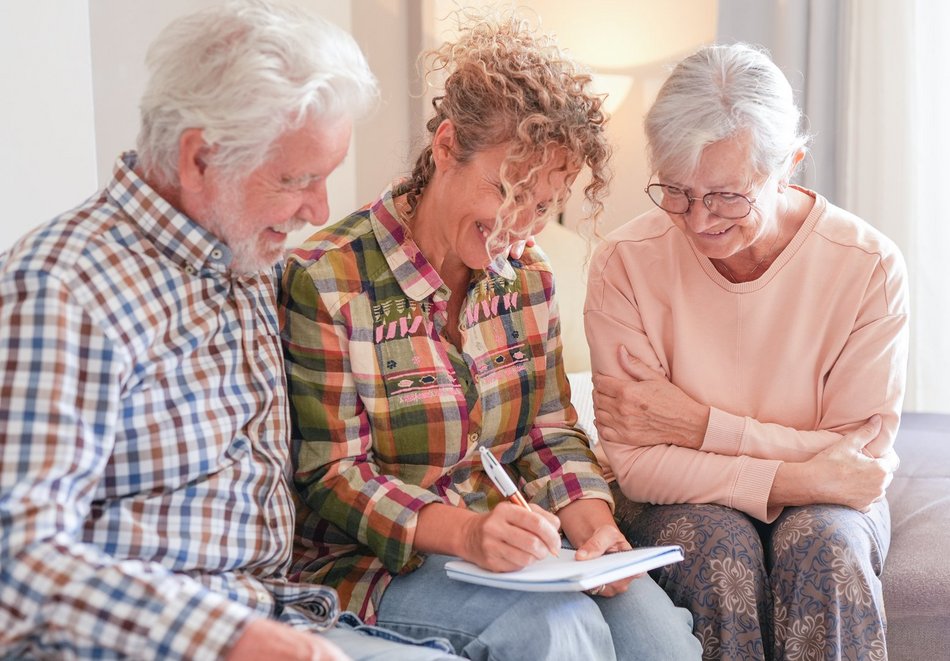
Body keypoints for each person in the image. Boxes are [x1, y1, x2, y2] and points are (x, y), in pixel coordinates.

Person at [0, 2, 461, 659]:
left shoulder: (244, 253)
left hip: (283, 609)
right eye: (298, 180)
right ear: (199, 158)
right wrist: (231, 638)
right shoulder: (63, 289)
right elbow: (16, 558)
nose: (319, 209)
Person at [280, 10, 701, 661]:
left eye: (542, 205)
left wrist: (595, 530)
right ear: (447, 147)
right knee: (558, 630)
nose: (520, 226)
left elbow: (548, 432)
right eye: (507, 192)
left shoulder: (527, 276)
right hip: (374, 564)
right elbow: (333, 475)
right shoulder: (326, 280)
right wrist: (469, 534)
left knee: (662, 641)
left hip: (515, 555)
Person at [584, 42, 908, 660]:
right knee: (716, 551)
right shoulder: (623, 264)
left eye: (727, 196)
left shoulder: (868, 266)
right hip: (686, 503)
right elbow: (639, 465)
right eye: (677, 191)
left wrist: (699, 427)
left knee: (826, 547)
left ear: (789, 165)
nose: (699, 220)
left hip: (830, 504)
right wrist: (799, 473)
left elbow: (857, 462)